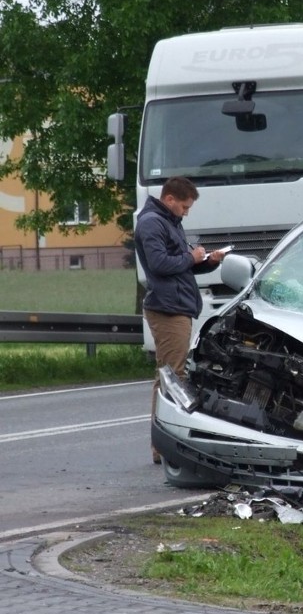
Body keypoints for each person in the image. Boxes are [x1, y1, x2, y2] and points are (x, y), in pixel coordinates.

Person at [134, 176, 228, 463]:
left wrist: (205, 262)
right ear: (169, 199)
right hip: (168, 308)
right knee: (172, 377)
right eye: (184, 207)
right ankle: (164, 443)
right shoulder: (152, 222)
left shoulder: (168, 222)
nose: (186, 212)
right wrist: (192, 258)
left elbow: (177, 268)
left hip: (178, 304)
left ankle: (164, 442)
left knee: (169, 375)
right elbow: (160, 264)